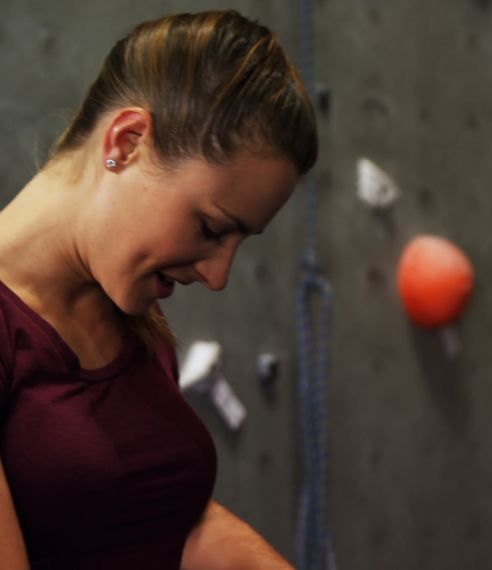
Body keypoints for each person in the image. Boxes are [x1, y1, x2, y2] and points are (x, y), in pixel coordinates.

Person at [0, 10, 316, 568]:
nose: (217, 276)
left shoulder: (121, 305)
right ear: (127, 140)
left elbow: (169, 523)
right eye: (212, 229)